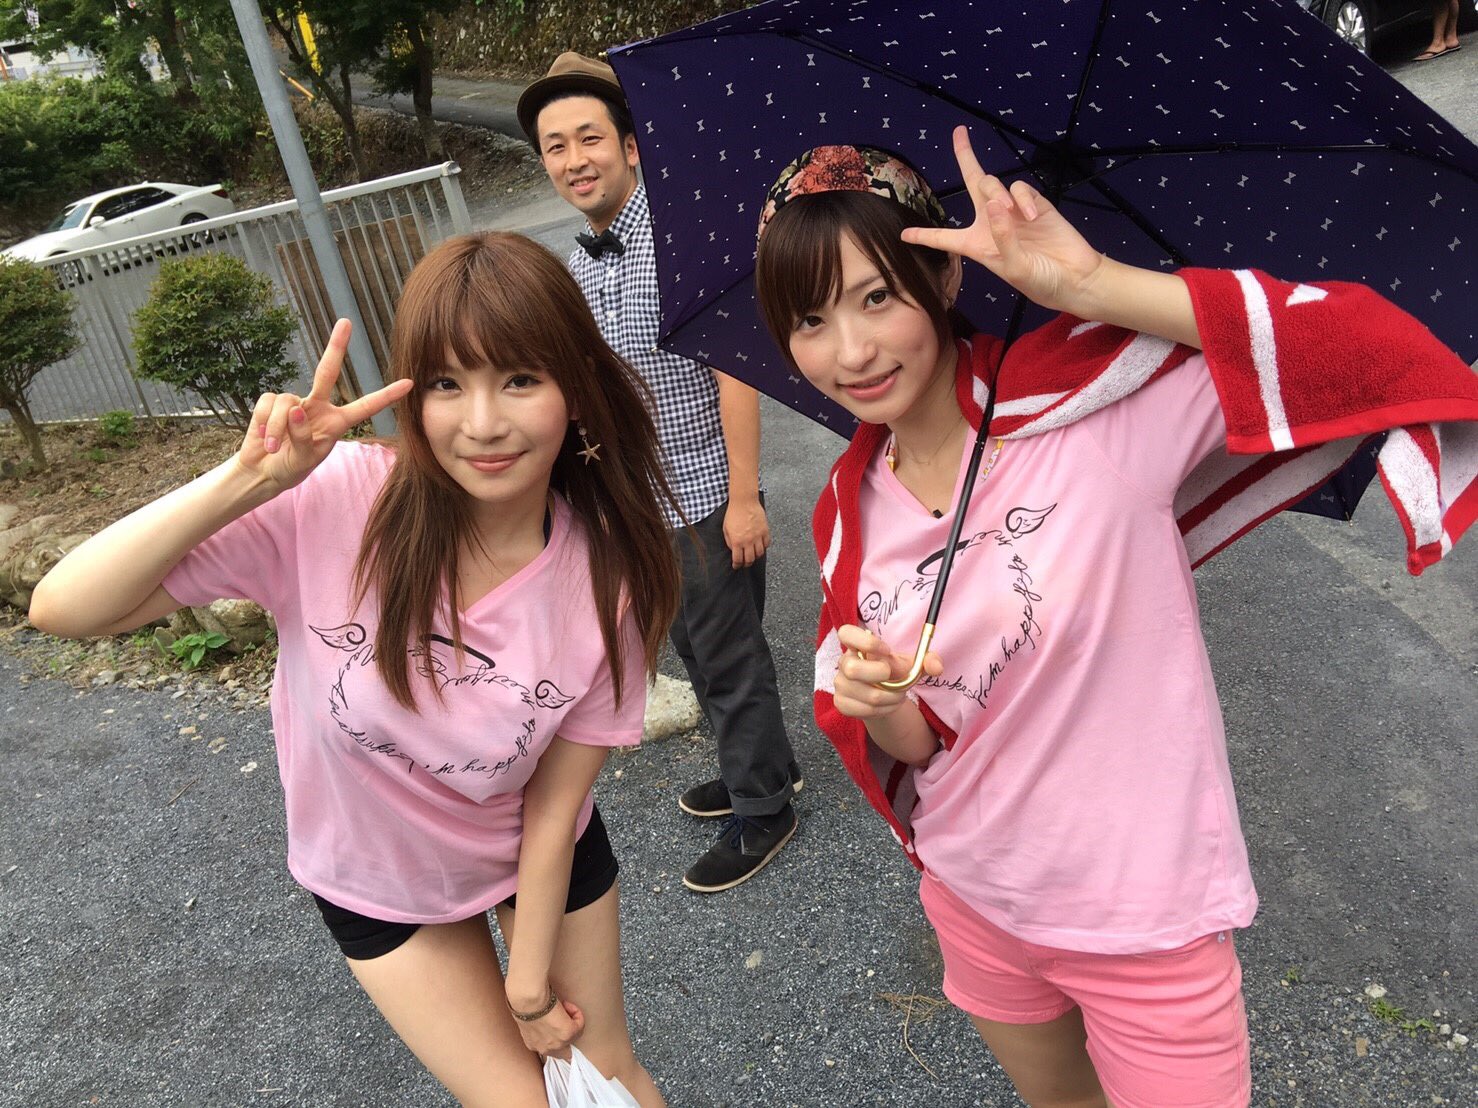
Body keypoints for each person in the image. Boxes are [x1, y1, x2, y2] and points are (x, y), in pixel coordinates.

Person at [752, 132, 1478, 1108]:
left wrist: (1093, 285)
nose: (850, 351)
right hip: (975, 899)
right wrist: (883, 706)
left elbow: (1345, 344)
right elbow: (922, 743)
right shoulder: (847, 511)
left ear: (943, 276)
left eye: (877, 296)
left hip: (1145, 923)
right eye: (809, 318)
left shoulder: (1092, 412)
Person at [29, 232, 683, 1108]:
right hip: (378, 879)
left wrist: (529, 982)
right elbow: (65, 606)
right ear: (412, 391)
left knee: (607, 1074)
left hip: (535, 856)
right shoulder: (333, 497)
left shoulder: (608, 574)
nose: (483, 423)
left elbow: (556, 799)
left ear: (577, 388)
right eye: (447, 383)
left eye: (521, 379)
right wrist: (247, 481)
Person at [516, 52, 804, 894]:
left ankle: (764, 809)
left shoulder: (681, 239)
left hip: (707, 493)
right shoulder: (579, 264)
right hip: (641, 504)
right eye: (556, 147)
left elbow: (735, 371)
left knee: (727, 655)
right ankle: (766, 768)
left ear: (631, 147)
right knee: (694, 645)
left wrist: (745, 497)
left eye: (589, 138)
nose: (574, 160)